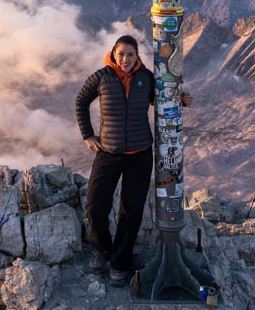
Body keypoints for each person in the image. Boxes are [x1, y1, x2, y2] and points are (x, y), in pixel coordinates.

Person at [75, 34, 192, 287]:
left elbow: (160, 99)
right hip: (108, 152)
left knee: (131, 212)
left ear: (137, 56)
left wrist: (180, 99)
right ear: (113, 53)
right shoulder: (102, 77)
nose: (125, 59)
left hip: (139, 154)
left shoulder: (146, 78)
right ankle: (103, 251)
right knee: (95, 208)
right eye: (121, 54)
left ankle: (119, 263)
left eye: (130, 54)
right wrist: (87, 135)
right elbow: (81, 101)